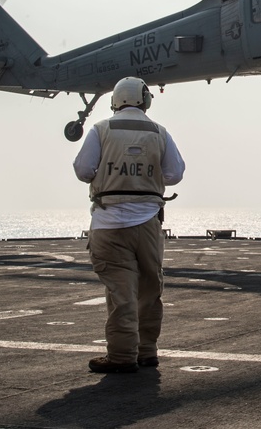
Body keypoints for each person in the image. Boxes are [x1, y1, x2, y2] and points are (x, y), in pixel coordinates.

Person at [73, 76, 186, 374]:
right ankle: (147, 351)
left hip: (108, 223)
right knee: (150, 288)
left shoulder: (101, 129)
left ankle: (122, 355)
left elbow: (83, 170)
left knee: (121, 291)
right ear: (144, 100)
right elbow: (175, 174)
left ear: (116, 101)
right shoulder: (159, 132)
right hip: (148, 222)